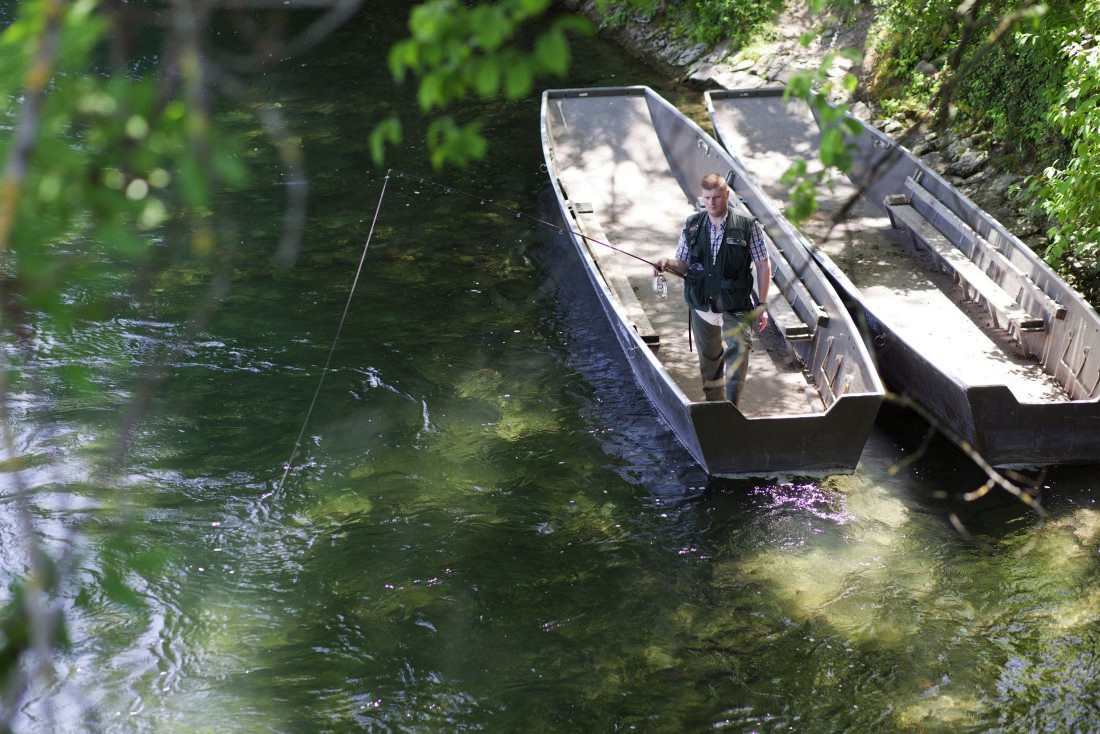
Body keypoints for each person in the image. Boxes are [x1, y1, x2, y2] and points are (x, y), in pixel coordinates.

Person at [656, 173, 771, 404]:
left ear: (726, 195)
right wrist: (666, 264)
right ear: (702, 197)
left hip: (735, 303)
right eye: (707, 198)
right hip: (702, 304)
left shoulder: (748, 226)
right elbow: (684, 265)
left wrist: (762, 304)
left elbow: (762, 264)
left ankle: (733, 410)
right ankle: (715, 409)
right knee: (710, 364)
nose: (712, 203)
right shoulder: (692, 225)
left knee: (739, 353)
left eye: (717, 197)